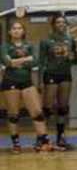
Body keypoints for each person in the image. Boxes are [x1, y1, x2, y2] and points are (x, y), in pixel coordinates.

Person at [2, 19, 52, 152]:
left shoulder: (29, 45)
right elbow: (8, 63)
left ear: (23, 31)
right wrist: (25, 59)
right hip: (10, 81)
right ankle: (16, 143)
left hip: (27, 82)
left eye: (19, 28)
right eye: (14, 28)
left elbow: (35, 62)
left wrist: (16, 61)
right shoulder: (4, 46)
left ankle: (44, 141)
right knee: (13, 114)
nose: (16, 30)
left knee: (37, 113)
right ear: (9, 32)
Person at [39, 13, 77, 150]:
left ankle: (60, 137)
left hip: (65, 75)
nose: (61, 24)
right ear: (53, 24)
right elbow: (41, 62)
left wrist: (71, 56)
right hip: (50, 75)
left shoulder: (70, 39)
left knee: (63, 107)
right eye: (58, 22)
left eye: (63, 22)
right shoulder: (46, 41)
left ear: (66, 24)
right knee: (47, 108)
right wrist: (39, 82)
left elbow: (75, 61)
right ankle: (42, 137)